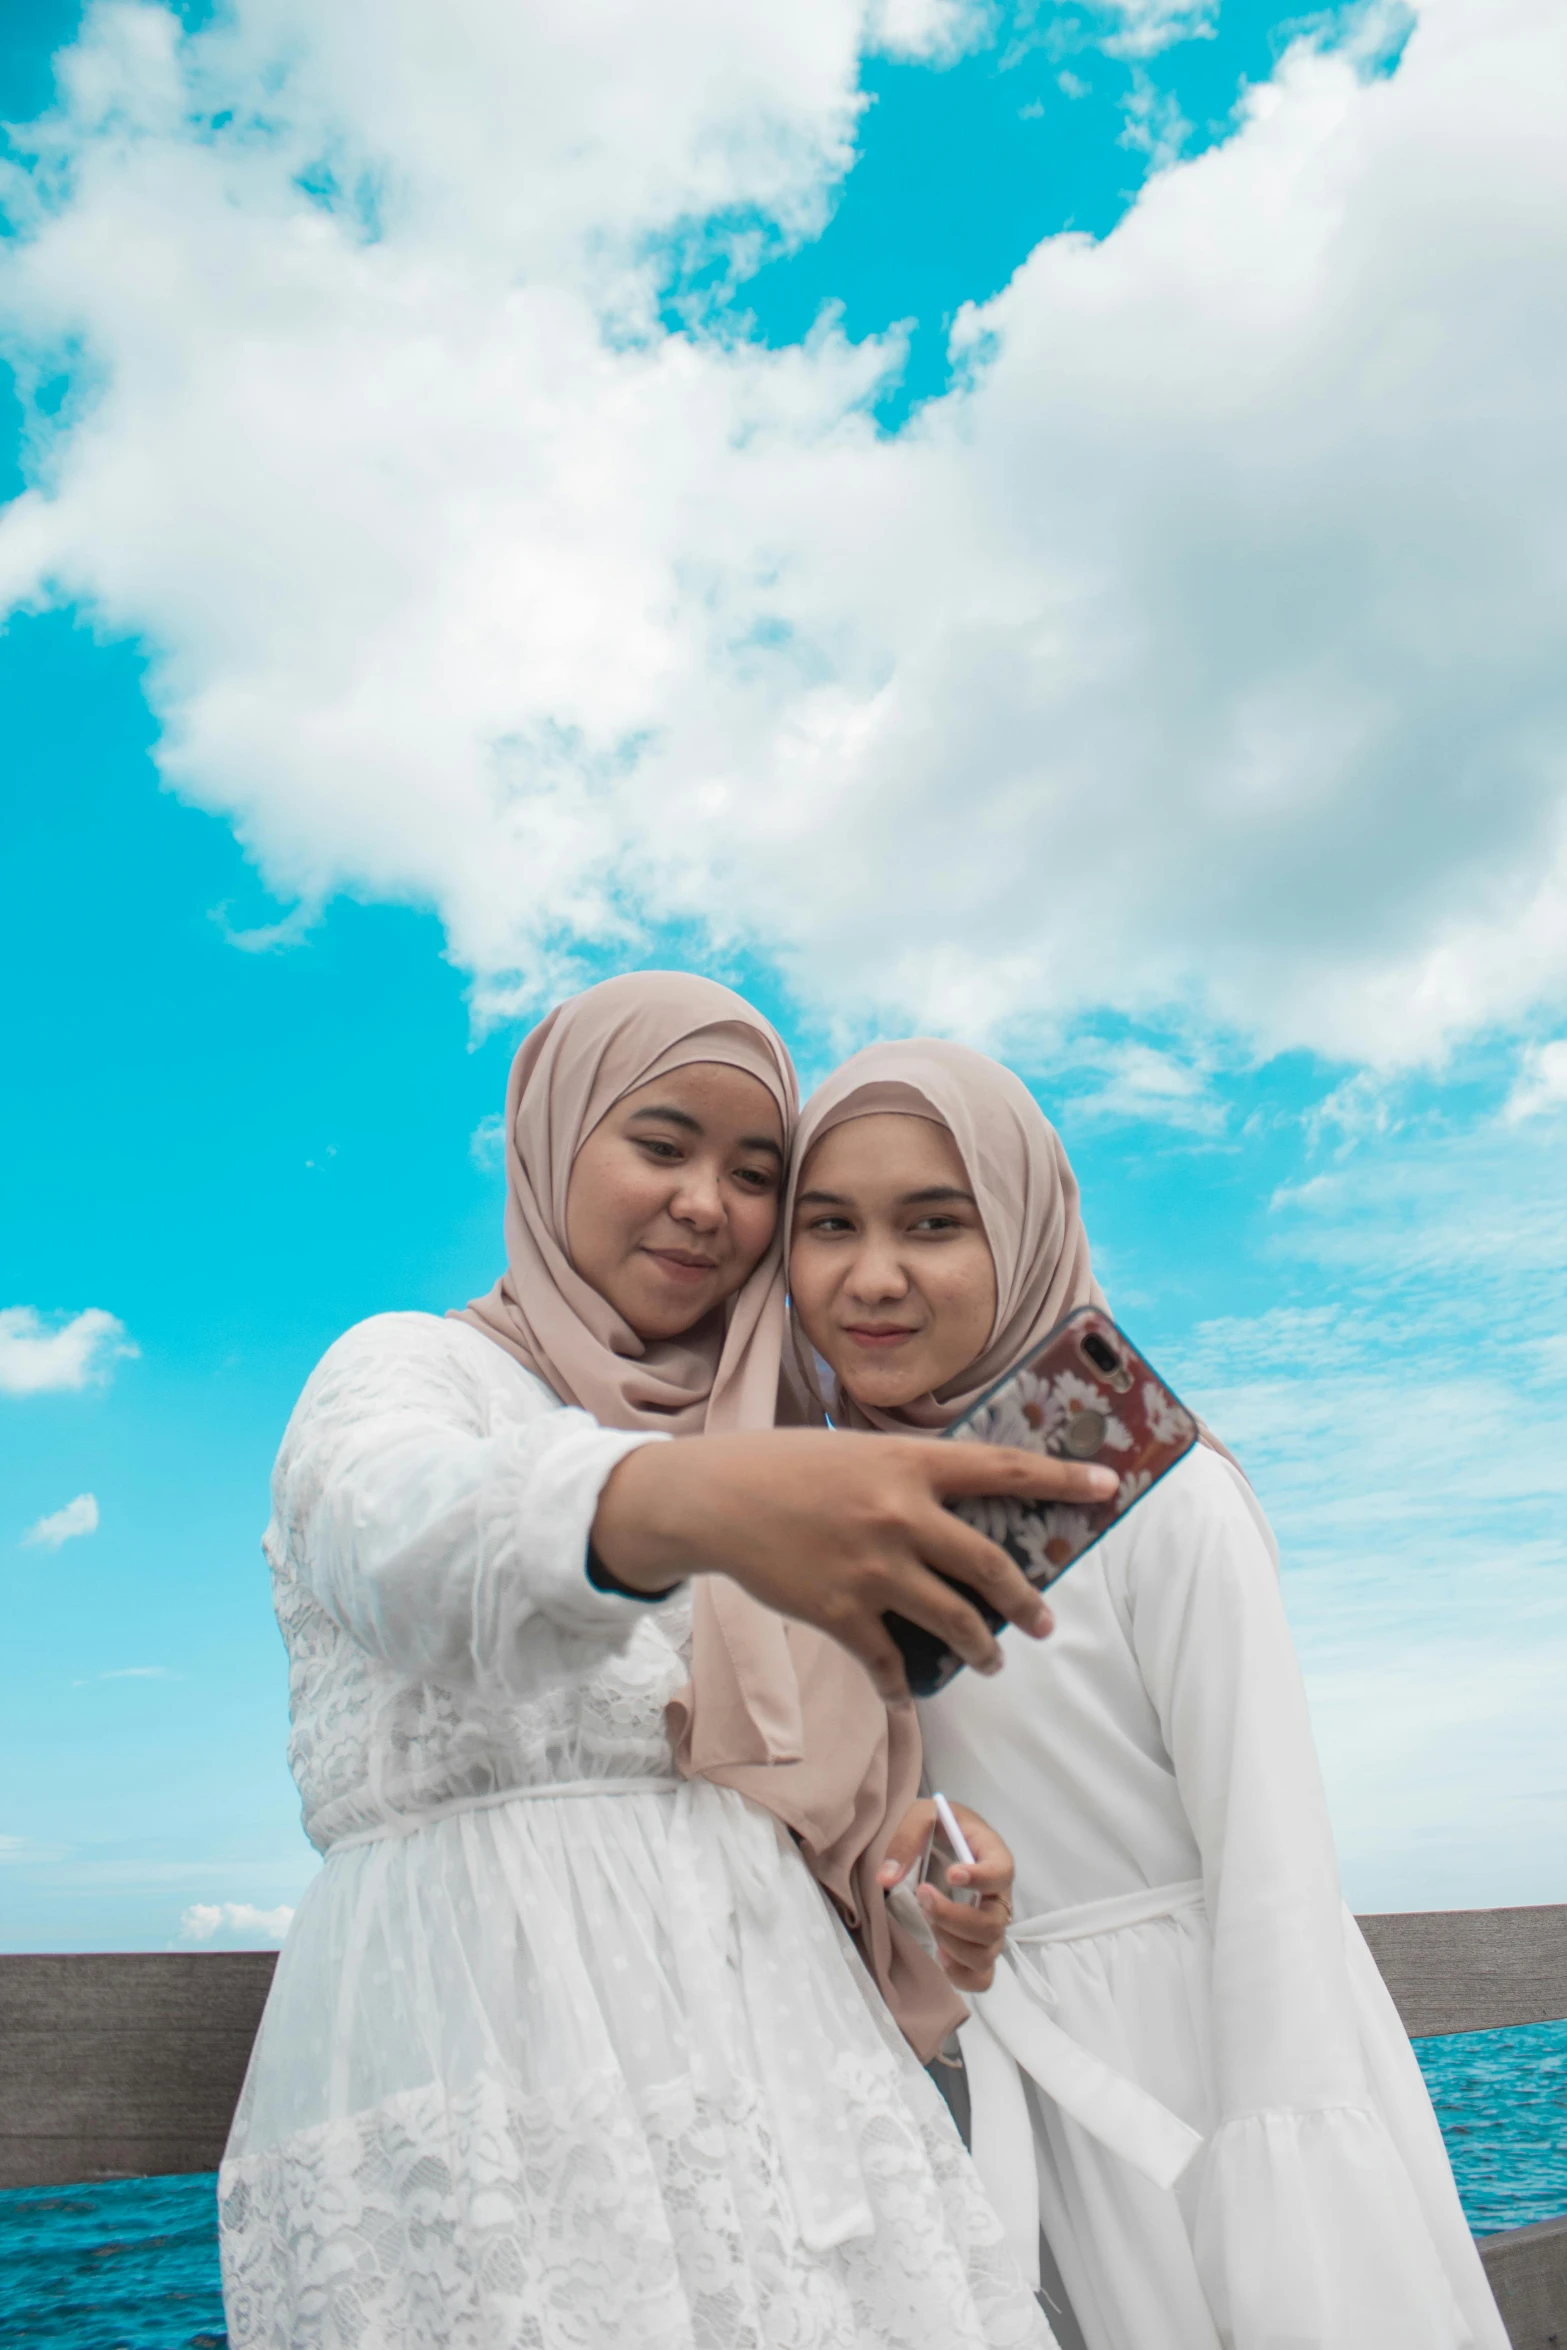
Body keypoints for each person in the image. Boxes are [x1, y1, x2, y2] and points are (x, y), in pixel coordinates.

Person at [218, 972, 1113, 2350]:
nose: (708, 1201)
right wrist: (687, 1503)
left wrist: (932, 1891)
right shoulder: (409, 1370)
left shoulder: (757, 1425)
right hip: (497, 2066)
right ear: (551, 1140)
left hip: (784, 2078)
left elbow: (804, 1818)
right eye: (660, 1142)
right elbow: (400, 1546)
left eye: (755, 1172)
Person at [786, 1037, 1509, 2350]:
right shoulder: (829, 1520)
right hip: (995, 2089)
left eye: (933, 1223)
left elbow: (1269, 1861)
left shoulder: (1159, 1497)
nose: (870, 1275)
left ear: (1019, 1227)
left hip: (1210, 2062)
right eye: (825, 1224)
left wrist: (1288, 2198)